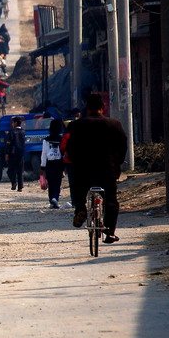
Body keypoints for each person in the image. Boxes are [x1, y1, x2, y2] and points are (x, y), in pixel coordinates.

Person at [66, 94, 128, 243]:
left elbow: (70, 148)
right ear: (103, 107)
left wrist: (75, 163)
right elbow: (123, 147)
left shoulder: (76, 125)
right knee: (111, 200)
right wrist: (117, 163)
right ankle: (110, 232)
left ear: (87, 107)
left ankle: (81, 208)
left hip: (83, 170)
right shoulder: (115, 124)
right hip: (108, 169)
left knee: (79, 190)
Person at [39, 119, 64, 208]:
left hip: (49, 164)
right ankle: (55, 198)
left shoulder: (46, 140)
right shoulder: (61, 139)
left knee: (51, 182)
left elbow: (44, 154)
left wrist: (42, 167)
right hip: (59, 163)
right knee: (57, 182)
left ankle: (51, 200)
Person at [6, 116, 25, 191]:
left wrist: (7, 153)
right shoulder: (23, 132)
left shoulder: (11, 131)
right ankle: (20, 187)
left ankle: (14, 182)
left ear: (15, 123)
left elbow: (8, 143)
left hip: (12, 153)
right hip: (21, 153)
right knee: (20, 170)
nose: (12, 124)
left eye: (12, 122)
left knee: (10, 170)